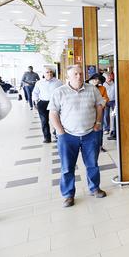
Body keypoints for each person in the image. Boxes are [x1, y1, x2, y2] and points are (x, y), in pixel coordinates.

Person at [48, 65, 106, 207]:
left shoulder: (92, 89)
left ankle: (94, 188)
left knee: (92, 164)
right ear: (68, 77)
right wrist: (60, 131)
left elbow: (99, 105)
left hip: (90, 134)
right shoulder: (59, 92)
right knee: (67, 167)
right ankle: (68, 195)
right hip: (68, 136)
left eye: (80, 73)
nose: (79, 76)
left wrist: (98, 123)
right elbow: (53, 113)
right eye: (75, 74)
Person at [32, 69, 63, 143]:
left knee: (56, 119)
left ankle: (57, 134)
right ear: (43, 74)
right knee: (44, 121)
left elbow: (63, 92)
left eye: (51, 72)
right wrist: (35, 103)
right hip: (43, 103)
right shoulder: (39, 83)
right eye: (47, 72)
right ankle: (47, 138)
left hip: (55, 103)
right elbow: (35, 93)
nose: (49, 73)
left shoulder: (58, 82)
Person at [103, 73, 116, 139]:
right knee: (106, 115)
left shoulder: (114, 83)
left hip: (113, 101)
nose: (109, 78)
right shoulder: (103, 84)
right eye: (107, 77)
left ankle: (114, 129)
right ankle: (106, 129)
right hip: (106, 101)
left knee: (114, 115)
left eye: (109, 76)